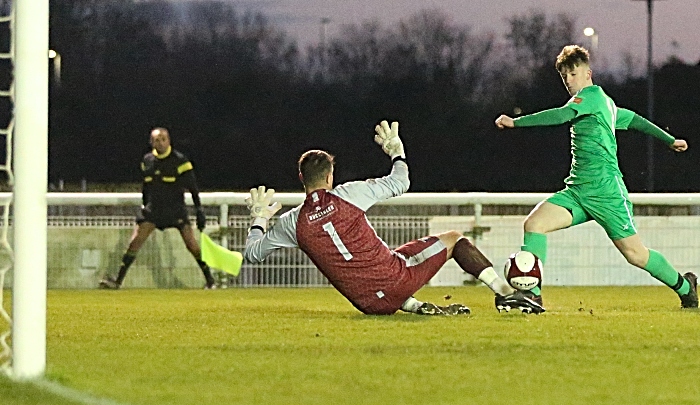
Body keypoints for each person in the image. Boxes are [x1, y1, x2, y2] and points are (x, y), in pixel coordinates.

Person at [243, 120, 544, 315]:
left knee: (390, 257)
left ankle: (416, 306)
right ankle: (506, 294)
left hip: (367, 303)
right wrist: (396, 153)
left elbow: (253, 254)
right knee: (454, 240)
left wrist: (259, 217)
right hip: (395, 281)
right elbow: (401, 182)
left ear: (300, 178)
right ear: (330, 176)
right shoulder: (349, 194)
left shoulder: (292, 223)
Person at [495, 45, 697, 310]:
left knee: (636, 255)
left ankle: (685, 286)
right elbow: (635, 119)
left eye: (573, 73)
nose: (568, 80)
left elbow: (562, 115)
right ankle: (532, 294)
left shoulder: (590, 97)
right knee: (534, 224)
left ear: (588, 73)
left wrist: (516, 122)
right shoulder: (607, 105)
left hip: (607, 192)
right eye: (564, 75)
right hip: (578, 191)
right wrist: (669, 140)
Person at [99, 127, 216, 289]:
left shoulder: (180, 160)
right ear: (151, 142)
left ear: (169, 141)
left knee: (192, 245)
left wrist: (199, 210)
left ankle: (211, 281)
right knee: (134, 242)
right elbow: (146, 186)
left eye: (163, 139)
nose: (160, 142)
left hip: (175, 210)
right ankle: (117, 281)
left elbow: (193, 187)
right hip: (153, 211)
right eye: (156, 140)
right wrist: (144, 205)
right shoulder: (147, 160)